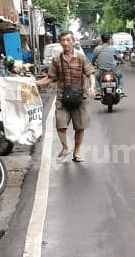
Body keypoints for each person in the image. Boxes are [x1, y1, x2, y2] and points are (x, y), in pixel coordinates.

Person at [38, 31, 96, 162]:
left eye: (68, 40)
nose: (66, 43)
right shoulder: (57, 60)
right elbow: (50, 78)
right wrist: (35, 83)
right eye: (63, 40)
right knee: (60, 124)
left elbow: (90, 74)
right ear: (60, 42)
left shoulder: (81, 58)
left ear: (73, 41)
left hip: (80, 96)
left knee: (80, 127)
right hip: (62, 97)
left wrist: (92, 87)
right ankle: (65, 147)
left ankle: (77, 151)